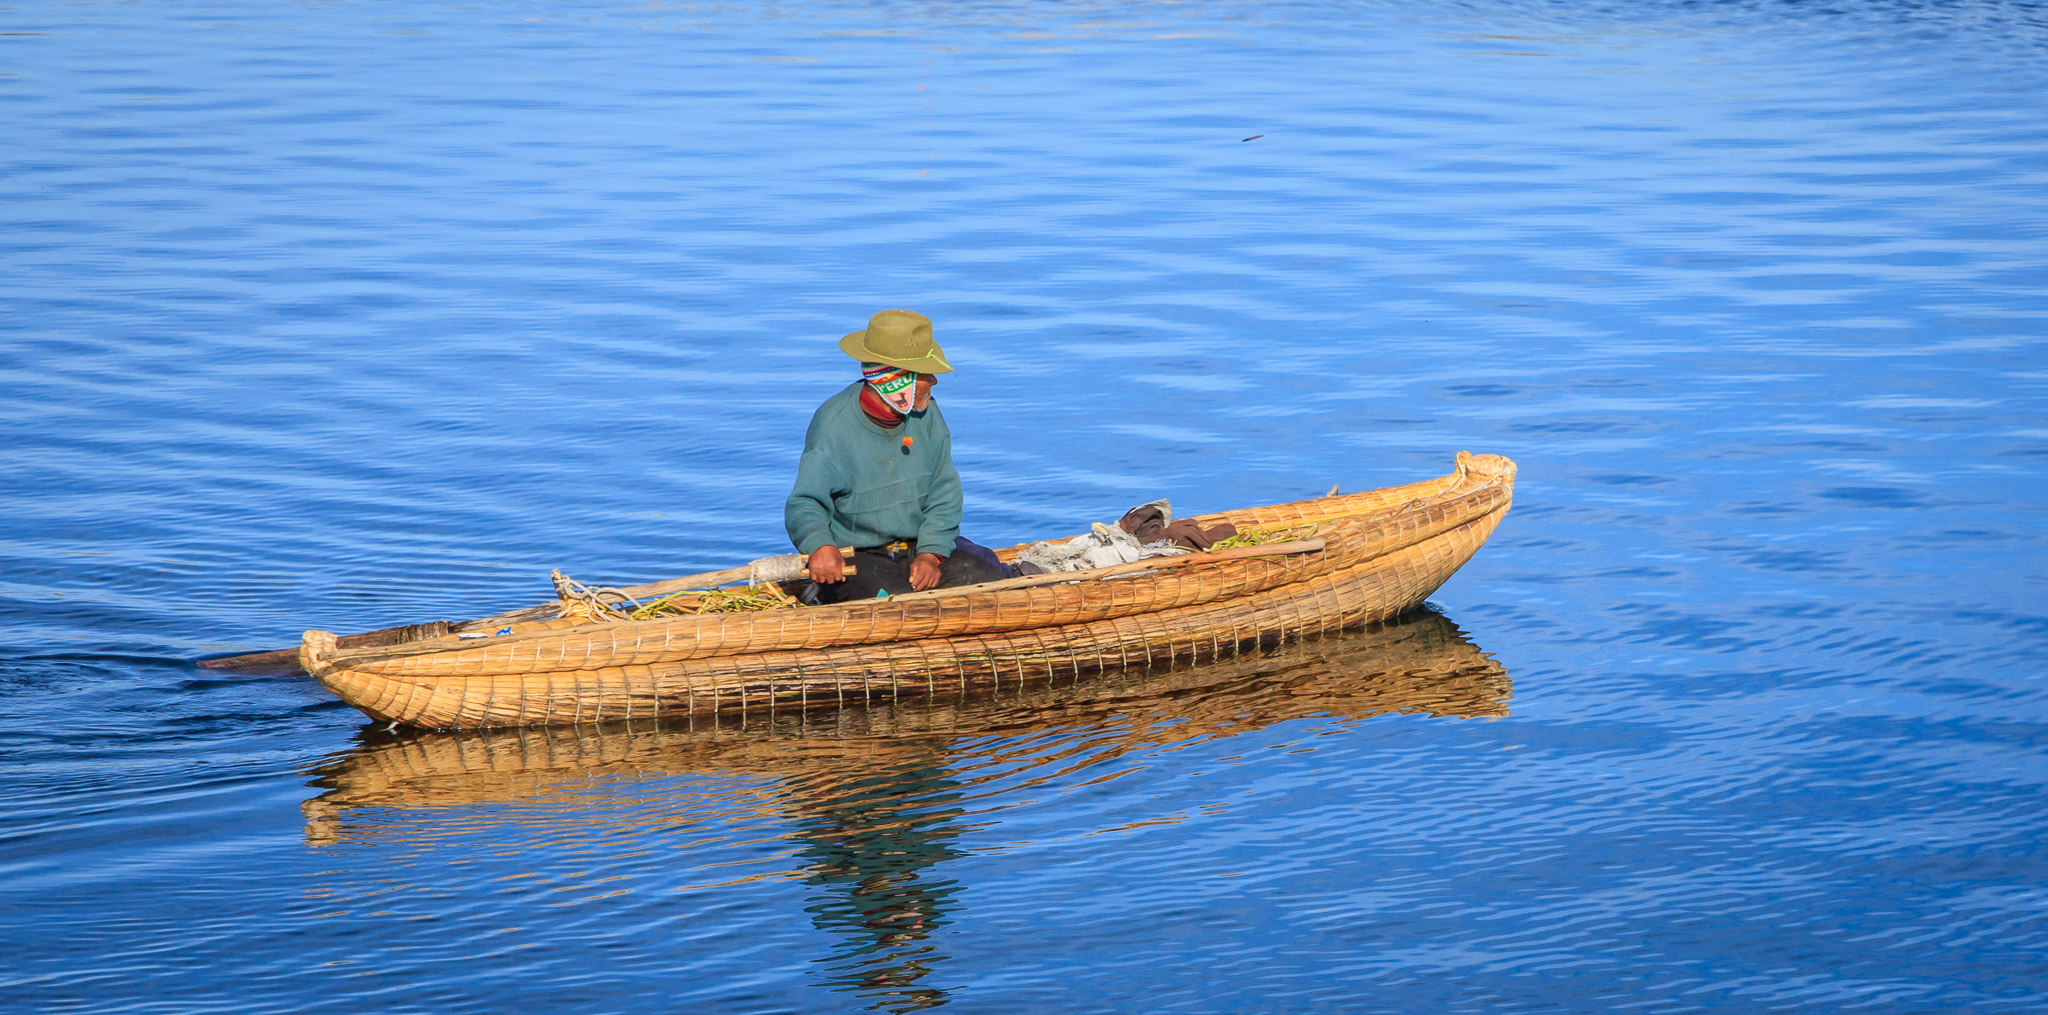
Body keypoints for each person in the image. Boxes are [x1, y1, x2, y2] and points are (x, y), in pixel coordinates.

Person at [784, 309, 1010, 603]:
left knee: (985, 578)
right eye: (926, 374)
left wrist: (931, 554)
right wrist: (820, 546)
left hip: (916, 547)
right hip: (859, 554)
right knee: (894, 602)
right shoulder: (833, 424)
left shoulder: (928, 415)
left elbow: (945, 493)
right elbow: (805, 502)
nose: (934, 382)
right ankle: (819, 594)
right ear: (897, 381)